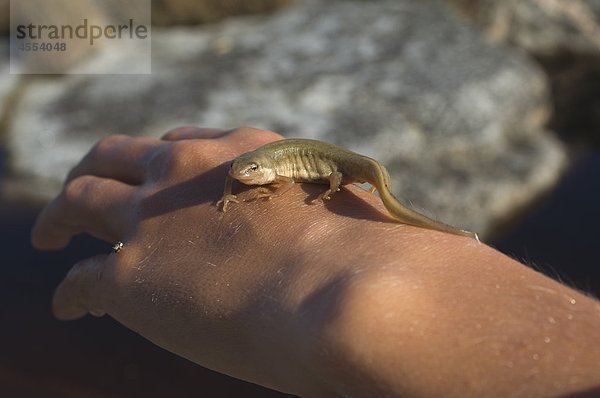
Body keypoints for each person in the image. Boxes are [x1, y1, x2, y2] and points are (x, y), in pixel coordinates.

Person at [32, 127, 600, 397]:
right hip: (336, 161)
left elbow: (310, 172)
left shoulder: (305, 169)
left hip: (348, 169)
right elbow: (254, 169)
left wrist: (328, 211)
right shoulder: (253, 165)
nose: (245, 175)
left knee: (375, 203)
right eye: (245, 171)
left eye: (252, 172)